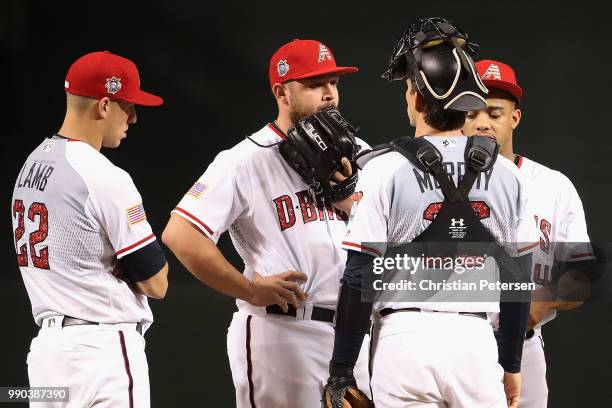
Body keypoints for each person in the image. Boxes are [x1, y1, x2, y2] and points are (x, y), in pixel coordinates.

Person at [322, 18, 538, 408]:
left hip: (404, 339)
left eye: (408, 90)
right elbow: (517, 280)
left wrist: (341, 370)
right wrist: (510, 364)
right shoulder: (510, 176)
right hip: (474, 341)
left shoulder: (384, 168)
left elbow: (358, 276)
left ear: (418, 99)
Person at [162, 39, 371, 407]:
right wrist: (247, 289)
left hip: (354, 335)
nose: (328, 94)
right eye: (314, 84)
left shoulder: (358, 152)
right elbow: (180, 234)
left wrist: (351, 204)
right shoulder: (245, 159)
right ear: (282, 92)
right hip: (284, 331)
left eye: (334, 83)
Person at [11, 51, 168, 407]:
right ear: (104, 105)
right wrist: (126, 266)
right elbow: (158, 283)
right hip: (102, 353)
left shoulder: (31, 166)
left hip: (48, 357)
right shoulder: (104, 175)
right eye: (128, 106)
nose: (134, 116)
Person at [463, 59, 595, 408]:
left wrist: (544, 301)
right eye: (471, 112)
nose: (482, 123)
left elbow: (581, 277)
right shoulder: (431, 184)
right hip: (456, 342)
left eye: (494, 113)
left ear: (514, 119)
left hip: (524, 347)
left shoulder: (552, 185)